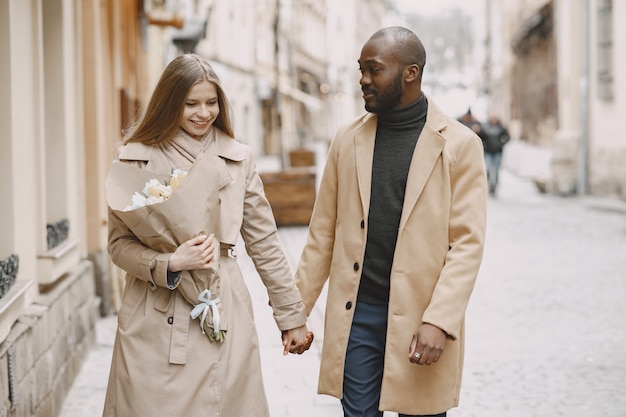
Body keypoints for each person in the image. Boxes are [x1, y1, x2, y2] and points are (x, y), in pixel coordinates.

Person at [103, 53, 313, 417]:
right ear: (170, 103)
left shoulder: (239, 158)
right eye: (191, 104)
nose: (204, 113)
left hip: (221, 305)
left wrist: (291, 316)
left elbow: (264, 243)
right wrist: (168, 262)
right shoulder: (134, 159)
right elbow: (118, 246)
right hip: (155, 313)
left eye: (211, 102)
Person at [294, 27, 487, 416]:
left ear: (410, 73)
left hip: (421, 317)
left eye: (374, 70)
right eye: (361, 69)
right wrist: (294, 311)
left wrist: (439, 321)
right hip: (357, 314)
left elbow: (467, 245)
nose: (363, 79)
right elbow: (322, 234)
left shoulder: (461, 146)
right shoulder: (347, 140)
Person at [481, 112, 510, 195]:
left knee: (496, 170)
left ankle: (495, 185)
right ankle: (490, 184)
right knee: (489, 168)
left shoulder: (500, 127)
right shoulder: (486, 127)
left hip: (498, 152)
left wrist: (501, 143)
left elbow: (507, 137)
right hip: (488, 152)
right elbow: (481, 137)